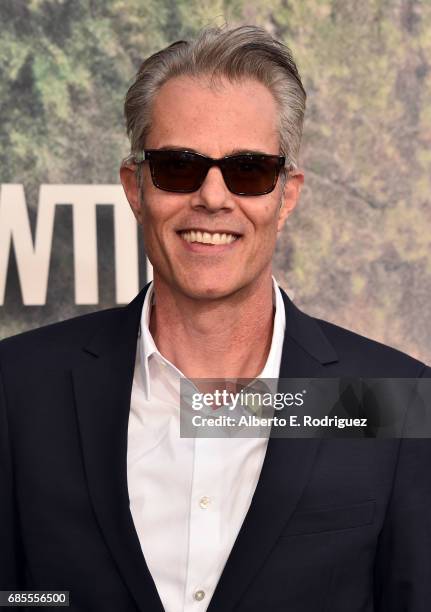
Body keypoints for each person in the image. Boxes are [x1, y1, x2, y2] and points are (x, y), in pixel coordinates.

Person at [0, 24, 430, 612]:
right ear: (136, 186)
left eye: (248, 170)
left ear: (287, 196)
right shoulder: (18, 387)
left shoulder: (392, 399)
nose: (212, 197)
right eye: (179, 166)